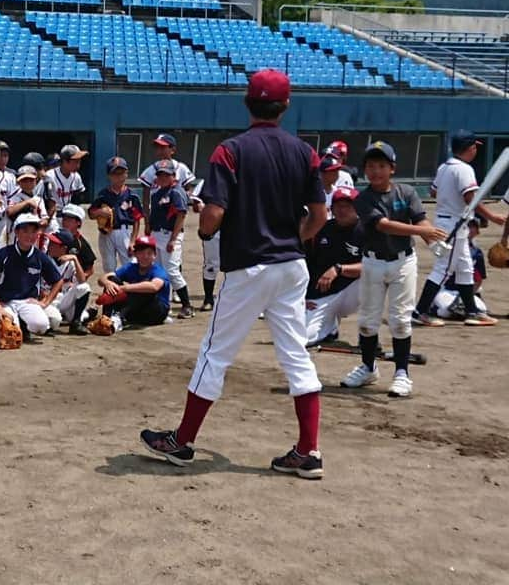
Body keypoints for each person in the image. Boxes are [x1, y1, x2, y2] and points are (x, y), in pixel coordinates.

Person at [140, 70, 328, 479]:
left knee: (215, 353)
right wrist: (292, 239)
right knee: (296, 354)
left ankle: (183, 442)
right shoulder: (305, 152)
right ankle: (309, 450)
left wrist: (205, 229)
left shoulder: (230, 150)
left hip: (250, 266)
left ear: (247, 103)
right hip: (292, 266)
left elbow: (214, 214)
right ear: (286, 105)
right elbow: (319, 216)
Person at [341, 141, 447, 399]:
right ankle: (368, 367)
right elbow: (383, 225)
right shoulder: (363, 198)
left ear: (392, 168)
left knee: (400, 320)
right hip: (373, 262)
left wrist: (435, 240)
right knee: (368, 321)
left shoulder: (407, 192)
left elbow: (420, 219)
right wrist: (422, 231)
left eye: (381, 166)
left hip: (403, 262)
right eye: (370, 166)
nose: (375, 171)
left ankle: (402, 373)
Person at [412, 130, 504, 327]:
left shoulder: (444, 167)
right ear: (469, 148)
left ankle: (472, 312)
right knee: (443, 270)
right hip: (454, 223)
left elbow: (434, 191)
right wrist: (493, 216)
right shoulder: (464, 169)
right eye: (474, 147)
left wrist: (450, 201)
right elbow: (471, 198)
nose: (476, 150)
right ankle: (420, 311)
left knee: (465, 269)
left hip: (448, 220)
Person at [0, 213, 63, 338]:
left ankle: (23, 325)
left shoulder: (39, 257)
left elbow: (58, 281)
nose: (30, 236)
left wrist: (45, 303)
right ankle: (3, 319)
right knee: (7, 330)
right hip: (6, 302)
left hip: (27, 302)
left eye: (34, 231)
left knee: (41, 325)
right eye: (25, 231)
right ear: (16, 232)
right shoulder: (5, 254)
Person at [303, 187, 364, 346]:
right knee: (303, 339)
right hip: (323, 293)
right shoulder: (320, 229)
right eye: (339, 206)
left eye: (348, 206)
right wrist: (303, 297)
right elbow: (306, 264)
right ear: (332, 208)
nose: (343, 210)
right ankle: (330, 327)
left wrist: (339, 269)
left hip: (353, 291)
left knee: (378, 277)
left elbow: (375, 266)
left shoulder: (367, 231)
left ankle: (369, 336)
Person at [146, 160, 194, 318]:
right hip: (157, 233)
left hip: (169, 235)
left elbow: (181, 214)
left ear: (174, 176)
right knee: (159, 270)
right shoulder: (158, 193)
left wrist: (173, 239)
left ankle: (187, 305)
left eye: (166, 175)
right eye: (160, 174)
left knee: (172, 271)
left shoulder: (176, 191)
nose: (162, 177)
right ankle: (162, 304)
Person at [98, 235, 171, 330]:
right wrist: (107, 283)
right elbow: (103, 279)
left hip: (155, 312)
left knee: (144, 287)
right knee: (112, 280)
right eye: (141, 253)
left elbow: (154, 287)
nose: (145, 257)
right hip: (136, 311)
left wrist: (123, 288)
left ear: (154, 255)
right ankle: (106, 318)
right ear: (135, 254)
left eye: (149, 253)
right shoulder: (131, 267)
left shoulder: (158, 270)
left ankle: (119, 318)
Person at [88, 157, 142, 273]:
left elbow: (137, 220)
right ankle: (111, 290)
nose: (118, 176)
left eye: (121, 172)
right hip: (107, 232)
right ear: (109, 175)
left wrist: (133, 241)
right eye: (115, 173)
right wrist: (99, 212)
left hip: (125, 232)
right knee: (109, 267)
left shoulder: (132, 195)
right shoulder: (103, 195)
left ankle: (132, 290)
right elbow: (91, 213)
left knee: (131, 265)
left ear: (126, 174)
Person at [433, 219, 489, 319]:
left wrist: (465, 297)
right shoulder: (449, 248)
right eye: (467, 226)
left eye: (472, 226)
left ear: (477, 231)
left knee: (482, 310)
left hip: (467, 293)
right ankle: (432, 306)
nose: (469, 229)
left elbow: (479, 280)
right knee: (446, 311)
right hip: (446, 290)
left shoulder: (477, 252)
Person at [42, 229, 91, 335]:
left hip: (64, 300)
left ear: (63, 248)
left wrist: (75, 259)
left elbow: (82, 281)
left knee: (84, 287)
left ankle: (76, 323)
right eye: (50, 242)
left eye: (54, 243)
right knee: (55, 321)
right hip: (49, 301)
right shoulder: (43, 259)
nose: (50, 245)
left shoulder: (70, 263)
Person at [42, 145, 88, 234]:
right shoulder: (50, 176)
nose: (78, 164)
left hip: (68, 218)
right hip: (52, 218)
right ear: (65, 161)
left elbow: (78, 199)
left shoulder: (77, 177)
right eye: (75, 161)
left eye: (79, 161)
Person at [137, 133, 194, 204]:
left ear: (172, 150)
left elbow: (189, 189)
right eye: (157, 147)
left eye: (162, 147)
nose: (159, 150)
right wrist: (147, 214)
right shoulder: (150, 170)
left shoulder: (181, 168)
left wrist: (182, 200)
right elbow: (146, 198)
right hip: (157, 209)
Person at [4, 165, 49, 246]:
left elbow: (45, 219)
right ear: (19, 182)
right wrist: (26, 203)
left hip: (34, 236)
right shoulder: (14, 197)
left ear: (36, 180)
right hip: (16, 237)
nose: (28, 183)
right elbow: (9, 211)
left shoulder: (39, 199)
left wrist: (40, 221)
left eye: (31, 180)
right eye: (24, 180)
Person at [57, 204, 96, 277]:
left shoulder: (81, 243)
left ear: (78, 222)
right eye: (64, 219)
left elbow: (90, 270)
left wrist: (78, 279)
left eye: (69, 220)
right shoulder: (55, 237)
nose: (65, 222)